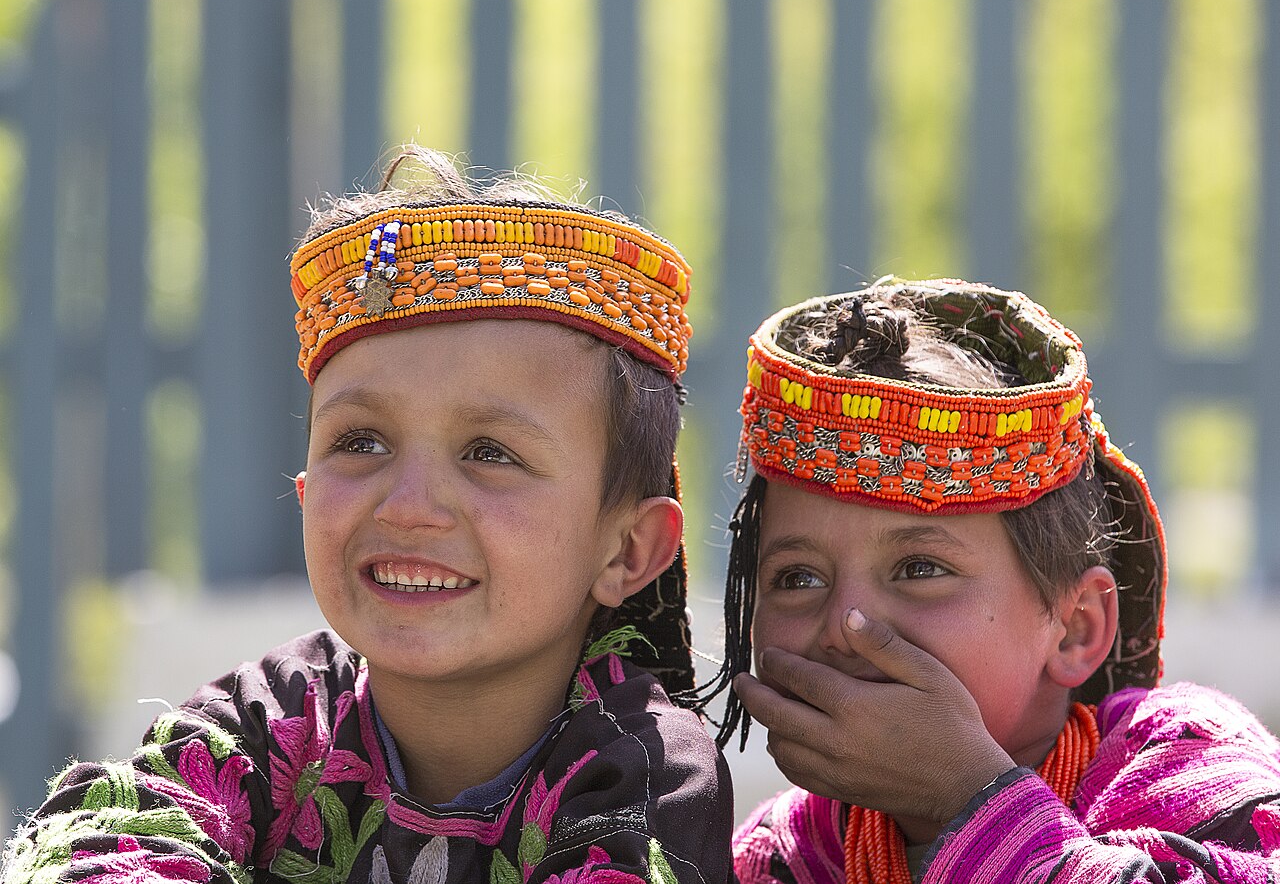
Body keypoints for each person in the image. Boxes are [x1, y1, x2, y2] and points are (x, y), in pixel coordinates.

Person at [3, 148, 733, 884]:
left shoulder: (640, 769)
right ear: (305, 491)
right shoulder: (266, 721)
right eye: (360, 442)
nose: (408, 505)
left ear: (628, 551)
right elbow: (100, 845)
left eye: (489, 452)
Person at [712, 278, 1280, 883]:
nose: (847, 626)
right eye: (797, 578)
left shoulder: (1190, 770)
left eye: (920, 569)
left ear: (1075, 630)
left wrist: (968, 797)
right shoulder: (781, 858)